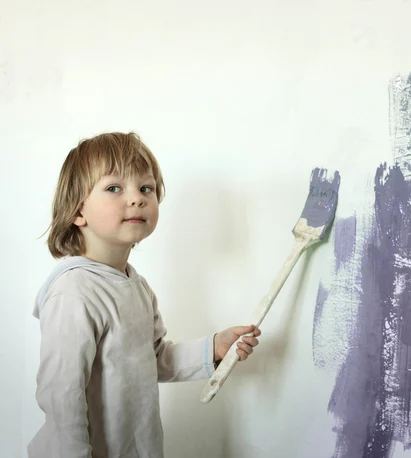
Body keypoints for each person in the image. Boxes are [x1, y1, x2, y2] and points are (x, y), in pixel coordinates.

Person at [28, 132, 260, 458]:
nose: (136, 198)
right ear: (78, 212)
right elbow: (62, 398)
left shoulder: (136, 286)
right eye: (114, 188)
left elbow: (150, 360)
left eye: (145, 188)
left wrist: (214, 348)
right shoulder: (74, 292)